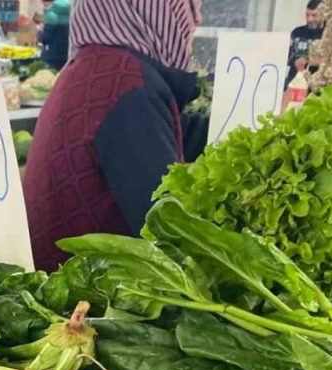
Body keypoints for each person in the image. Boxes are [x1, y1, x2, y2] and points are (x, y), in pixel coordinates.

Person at [22, 0, 203, 271]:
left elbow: (163, 133)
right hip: (81, 306)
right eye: (187, 7)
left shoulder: (95, 65)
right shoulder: (126, 85)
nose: (196, 19)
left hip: (60, 288)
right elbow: (171, 235)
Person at [287, 0, 324, 87]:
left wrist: (308, 62)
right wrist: (294, 61)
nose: (309, 19)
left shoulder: (328, 36)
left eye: (314, 15)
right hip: (293, 82)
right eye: (307, 15)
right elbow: (285, 55)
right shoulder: (297, 32)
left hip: (316, 85)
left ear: (324, 15)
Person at [39, 0, 70, 70]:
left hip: (53, 56)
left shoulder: (51, 16)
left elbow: (46, 39)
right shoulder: (70, 16)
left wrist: (41, 31)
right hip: (66, 55)